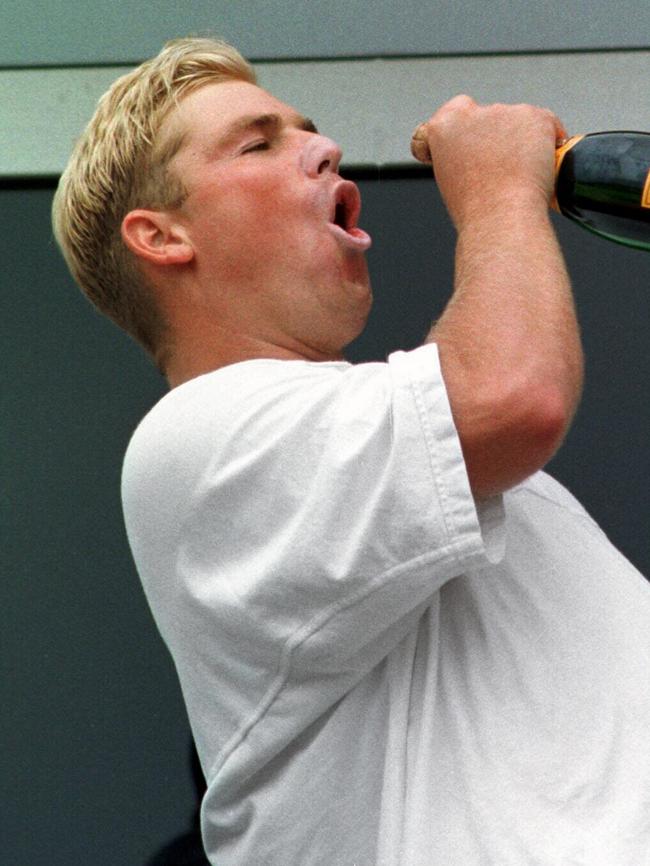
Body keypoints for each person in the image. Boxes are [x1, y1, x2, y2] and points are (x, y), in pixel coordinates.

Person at [52, 37, 650, 866]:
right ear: (162, 236)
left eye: (308, 128)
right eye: (259, 143)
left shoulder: (419, 459)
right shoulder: (195, 439)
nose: (323, 147)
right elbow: (519, 394)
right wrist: (500, 192)